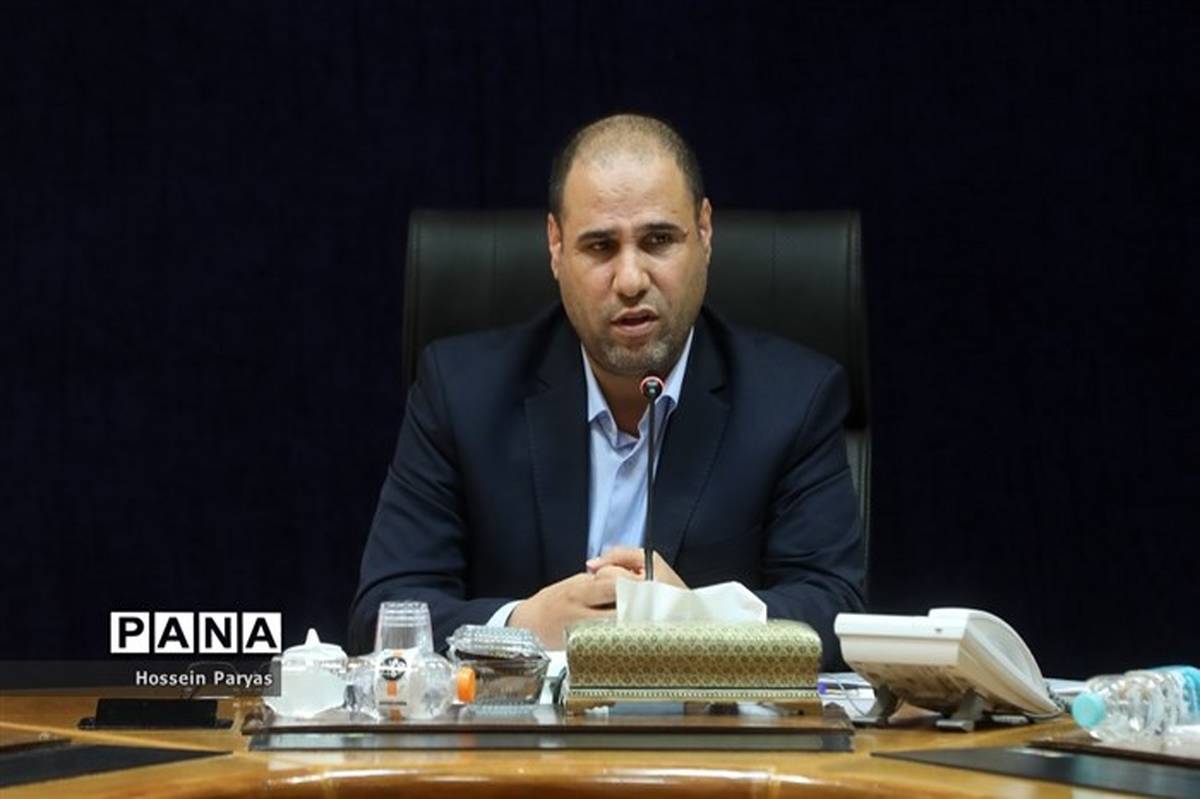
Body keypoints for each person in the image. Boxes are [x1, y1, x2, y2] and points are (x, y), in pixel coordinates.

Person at [350, 114, 865, 667]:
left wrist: (701, 621)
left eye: (659, 240)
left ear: (705, 233)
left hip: (704, 722)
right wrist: (522, 627)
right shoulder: (460, 393)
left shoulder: (794, 400)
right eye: (600, 246)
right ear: (555, 248)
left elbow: (835, 614)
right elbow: (383, 614)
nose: (631, 280)